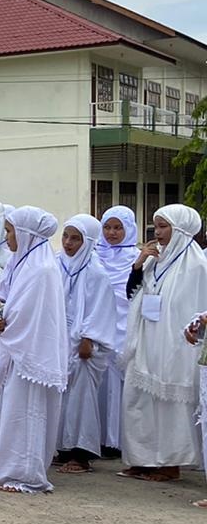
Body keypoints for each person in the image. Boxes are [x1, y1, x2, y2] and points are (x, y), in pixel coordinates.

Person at [0, 207, 69, 494]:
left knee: (25, 413)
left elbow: (30, 316)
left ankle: (24, 475)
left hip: (28, 353)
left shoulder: (42, 270)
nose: (7, 237)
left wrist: (3, 321)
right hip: (9, 348)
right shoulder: (18, 263)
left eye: (10, 231)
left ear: (26, 234)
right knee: (1, 411)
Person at [119, 204, 207, 481]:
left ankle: (170, 464)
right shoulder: (157, 260)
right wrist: (139, 263)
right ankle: (142, 459)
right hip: (146, 338)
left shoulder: (196, 266)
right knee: (138, 399)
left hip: (174, 345)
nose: (157, 233)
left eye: (163, 227)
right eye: (156, 226)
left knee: (169, 404)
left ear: (179, 229)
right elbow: (132, 294)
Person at [55, 214, 117, 475]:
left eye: (75, 238)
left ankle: (81, 453)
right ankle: (63, 447)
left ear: (88, 240)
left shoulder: (95, 272)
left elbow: (101, 308)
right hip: (59, 340)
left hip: (83, 346)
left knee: (81, 398)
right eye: (66, 236)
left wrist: (88, 338)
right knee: (60, 397)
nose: (68, 243)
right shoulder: (58, 264)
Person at [94, 205, 138, 457]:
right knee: (97, 381)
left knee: (118, 381)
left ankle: (117, 440)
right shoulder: (93, 254)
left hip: (124, 325)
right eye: (107, 227)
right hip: (99, 323)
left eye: (118, 228)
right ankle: (97, 437)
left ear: (129, 229)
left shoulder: (137, 258)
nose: (111, 233)